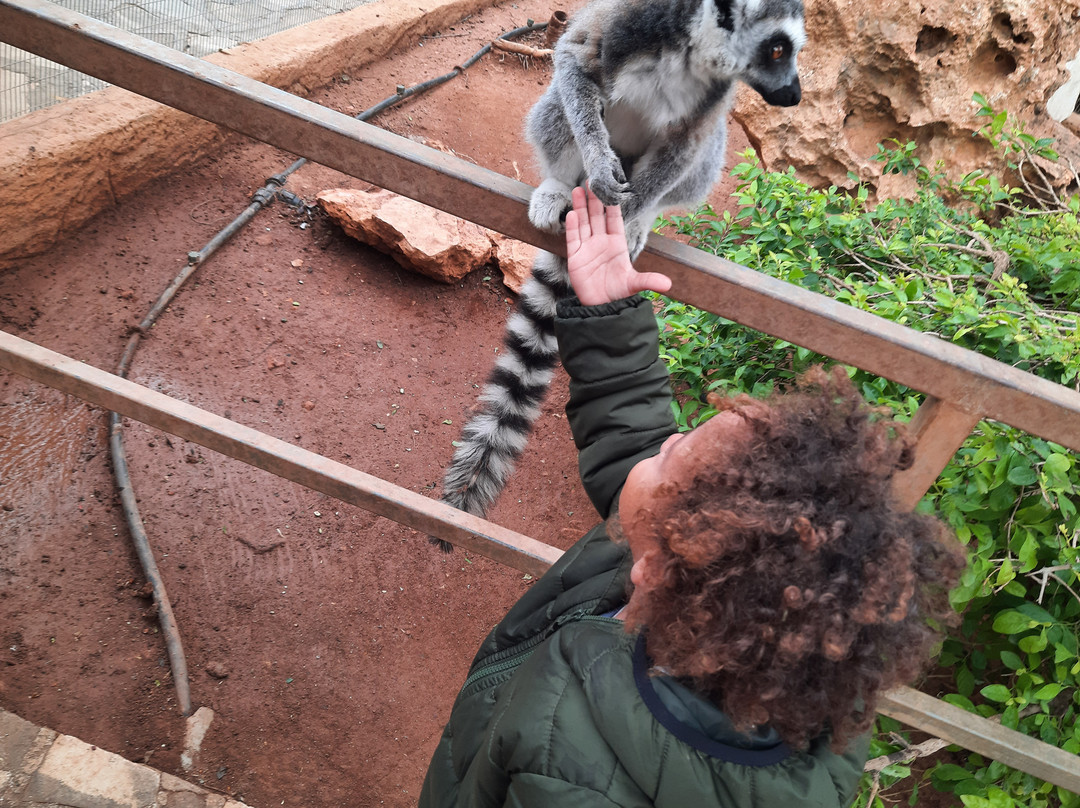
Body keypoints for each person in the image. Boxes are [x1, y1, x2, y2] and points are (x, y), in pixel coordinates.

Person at [419, 186, 966, 808]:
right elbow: (640, 456)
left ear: (652, 567)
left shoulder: (573, 769)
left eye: (670, 455)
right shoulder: (794, 676)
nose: (667, 437)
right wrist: (607, 318)